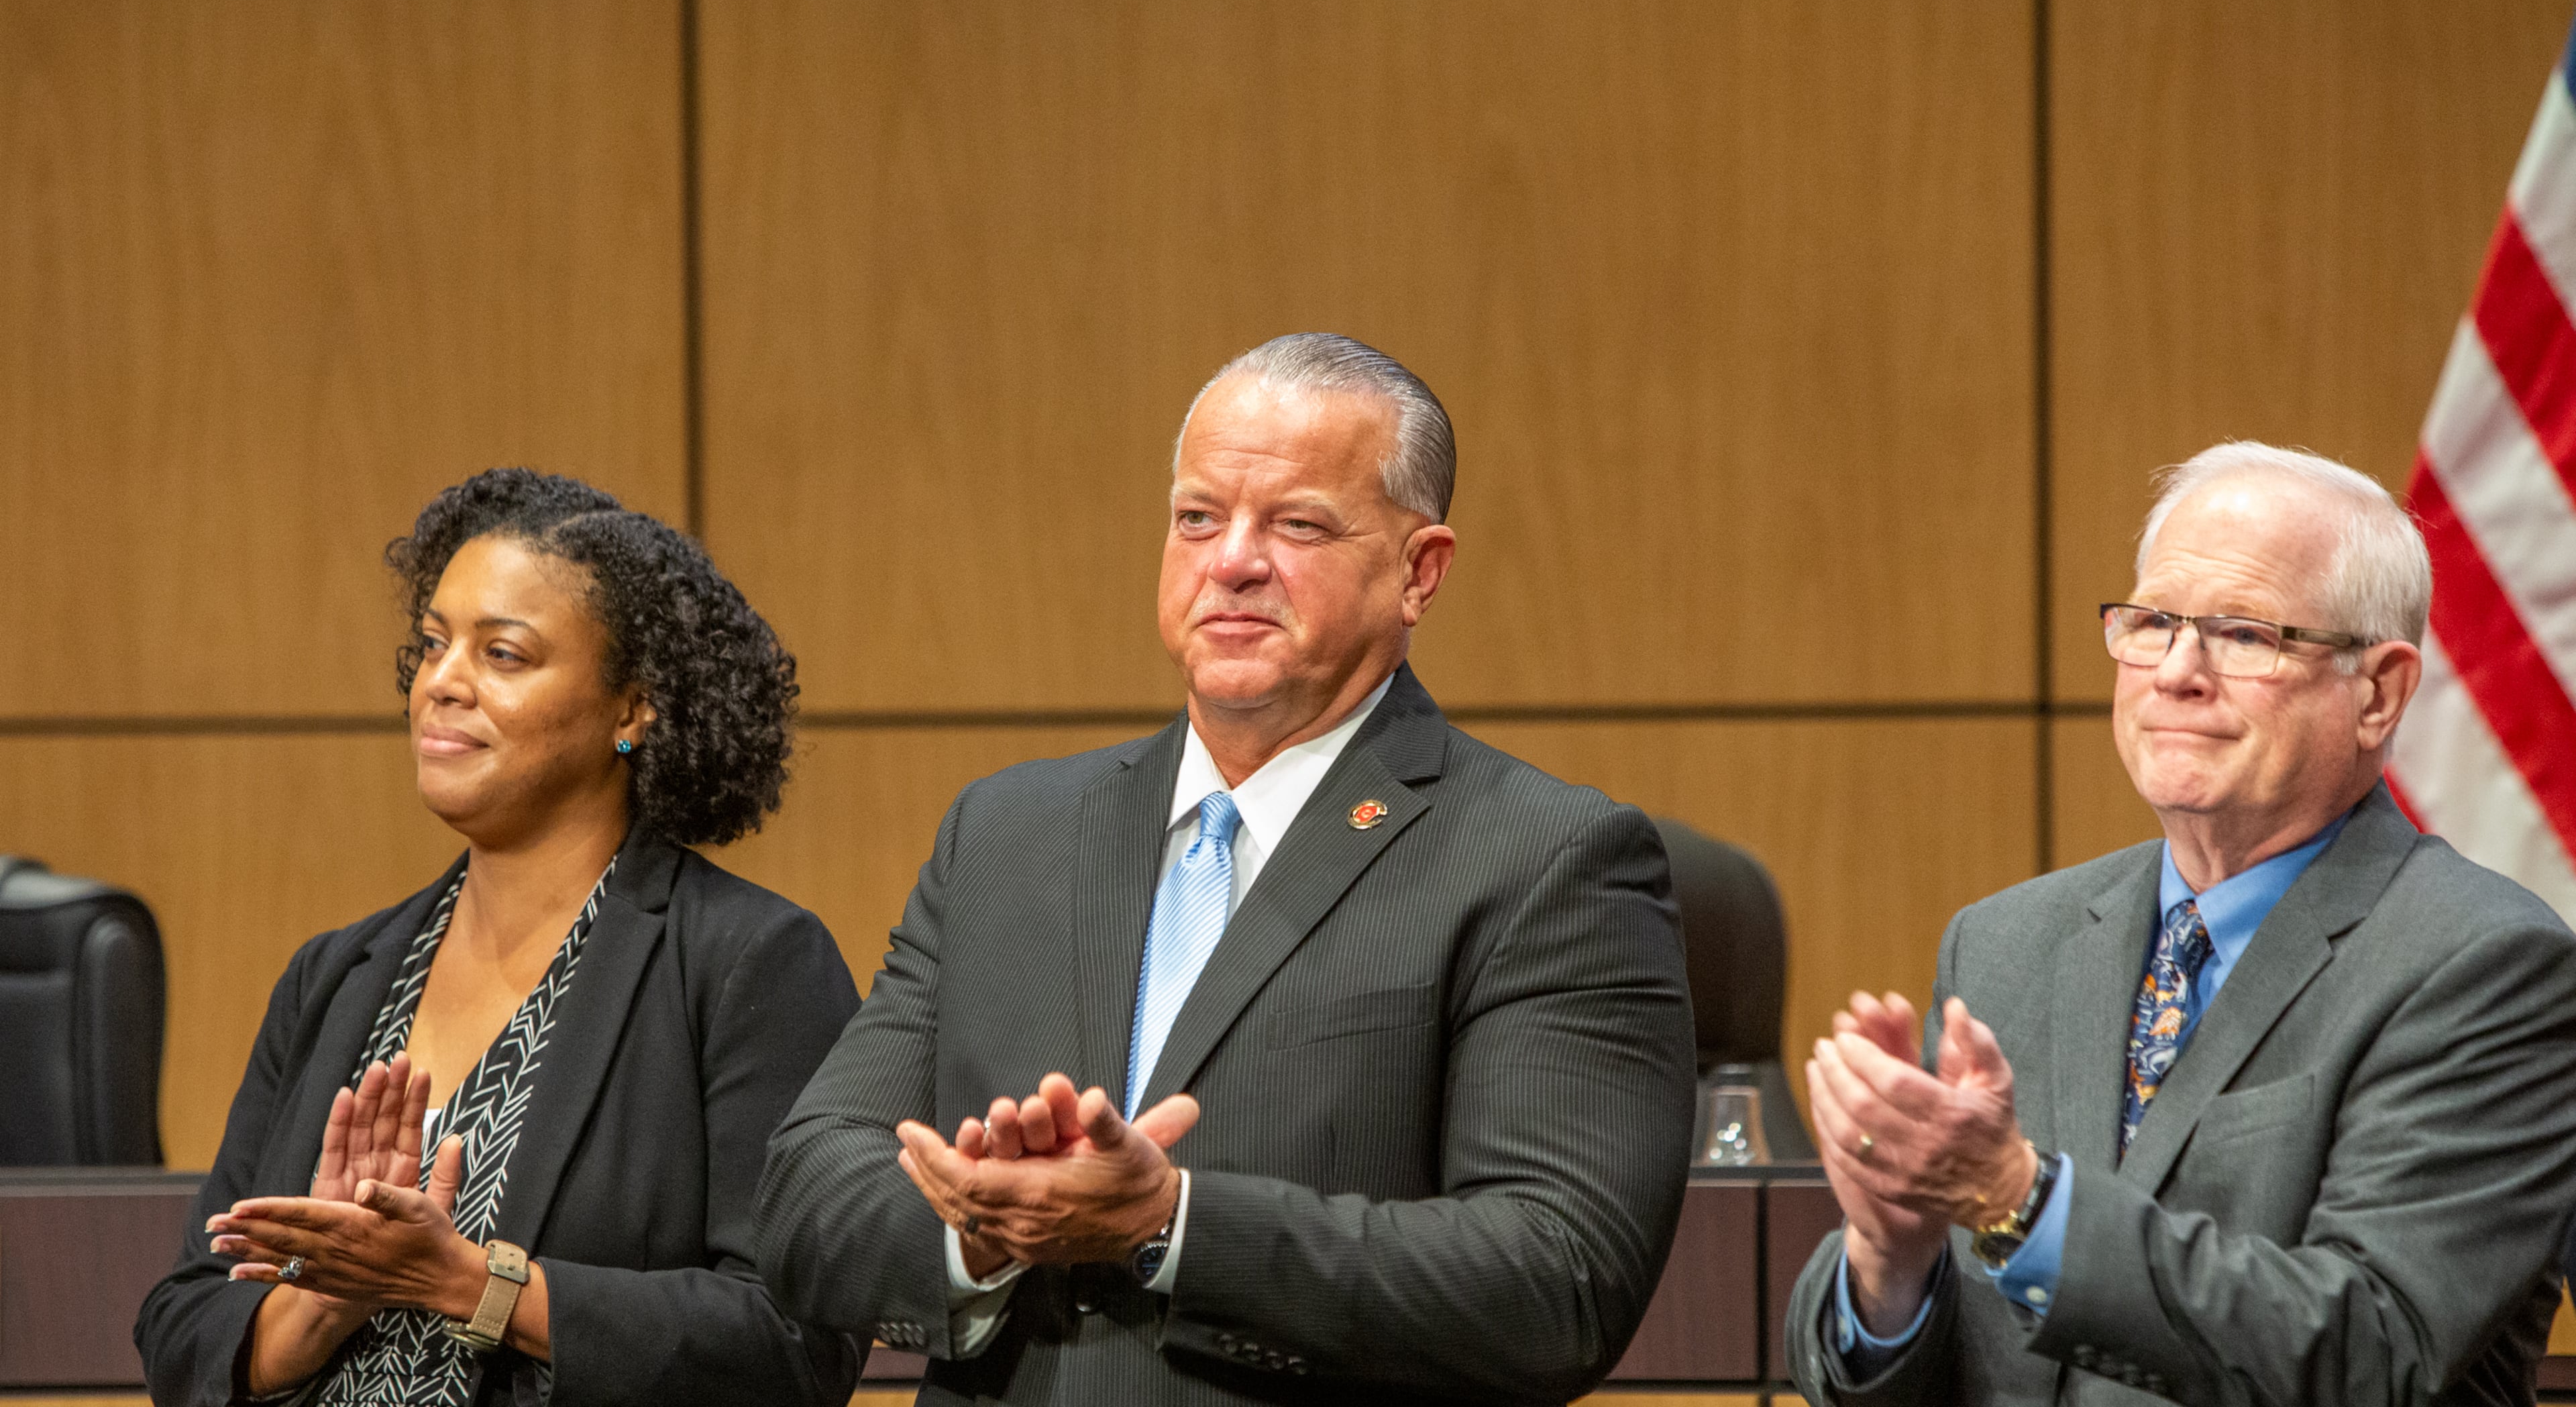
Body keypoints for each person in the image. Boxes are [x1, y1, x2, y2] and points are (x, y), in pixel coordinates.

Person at [755, 333, 1697, 1405]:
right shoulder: (1008, 833)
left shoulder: (1543, 859)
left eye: (1297, 524)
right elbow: (803, 1196)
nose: (1232, 559)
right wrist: (984, 1230)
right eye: (1198, 517)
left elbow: (1556, 1281)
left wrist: (1172, 1226)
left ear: (1418, 572)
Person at [1785, 441, 2576, 1405]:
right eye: (2155, 623)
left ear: (2379, 693)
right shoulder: (2002, 944)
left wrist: (2014, 1204)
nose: (2178, 672)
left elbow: (2370, 1351)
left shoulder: (2485, 962)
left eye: (2244, 634)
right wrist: (1887, 1260)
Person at [136, 470, 863, 1407]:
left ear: (633, 709)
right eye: (433, 644)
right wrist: (324, 1302)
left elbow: (793, 1344)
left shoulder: (746, 962)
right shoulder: (336, 974)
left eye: (504, 655)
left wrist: (475, 1286)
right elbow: (182, 1325)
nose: (441, 682)